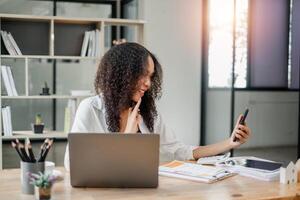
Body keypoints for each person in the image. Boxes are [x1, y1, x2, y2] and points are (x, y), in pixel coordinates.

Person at [64, 42, 251, 170]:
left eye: (151, 77)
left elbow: (179, 150)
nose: (148, 83)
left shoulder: (147, 113)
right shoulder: (90, 109)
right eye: (142, 75)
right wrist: (126, 138)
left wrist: (228, 142)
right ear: (121, 75)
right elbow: (71, 164)